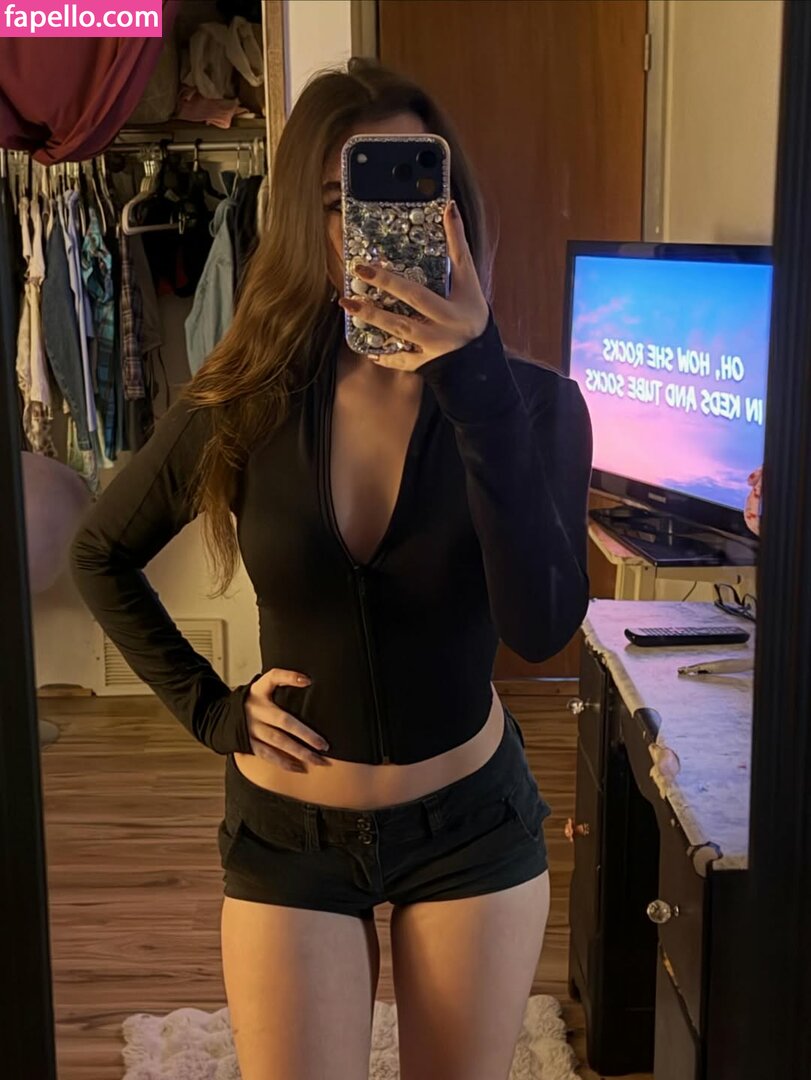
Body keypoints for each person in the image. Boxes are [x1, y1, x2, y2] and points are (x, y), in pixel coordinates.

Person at [70, 58, 592, 1080]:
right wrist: (208, 710)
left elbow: (539, 630)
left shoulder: (531, 406)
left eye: (407, 194)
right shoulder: (247, 398)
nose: (371, 227)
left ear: (451, 216)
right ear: (301, 224)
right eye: (337, 199)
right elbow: (99, 552)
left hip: (471, 823)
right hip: (290, 830)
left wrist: (472, 376)